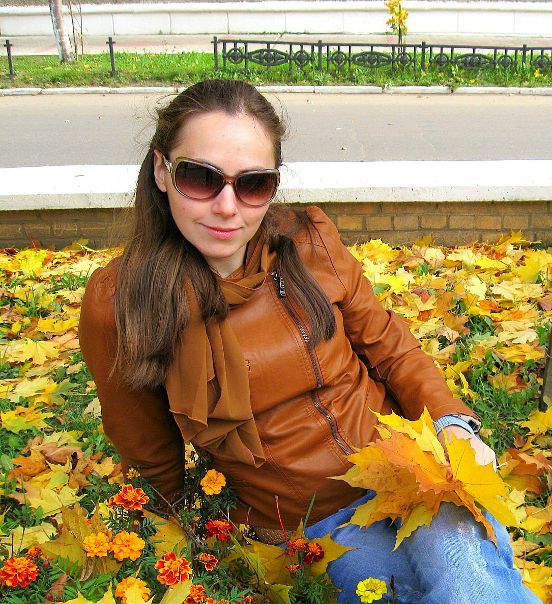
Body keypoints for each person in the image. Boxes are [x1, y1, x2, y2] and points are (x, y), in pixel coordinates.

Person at [78, 79, 541, 604]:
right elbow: (148, 448)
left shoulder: (308, 242)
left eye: (253, 184)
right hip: (310, 521)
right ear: (162, 171)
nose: (227, 206)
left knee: (464, 574)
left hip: (408, 469)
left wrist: (452, 424)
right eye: (200, 177)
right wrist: (183, 532)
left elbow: (390, 347)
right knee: (410, 593)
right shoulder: (121, 303)